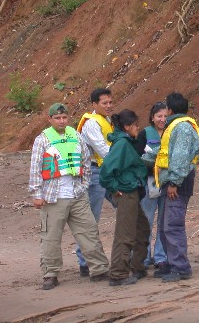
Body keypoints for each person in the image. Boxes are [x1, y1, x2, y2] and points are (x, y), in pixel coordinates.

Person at [29, 103, 109, 290]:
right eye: (57, 118)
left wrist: (84, 185)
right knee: (50, 237)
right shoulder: (42, 140)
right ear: (50, 120)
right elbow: (35, 168)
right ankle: (50, 274)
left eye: (64, 117)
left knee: (89, 231)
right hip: (52, 196)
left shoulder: (76, 136)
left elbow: (86, 163)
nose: (61, 121)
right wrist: (36, 194)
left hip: (76, 193)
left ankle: (99, 269)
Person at [144, 92, 199, 282]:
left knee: (173, 225)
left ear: (169, 109)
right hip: (169, 181)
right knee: (164, 225)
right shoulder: (175, 127)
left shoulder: (182, 128)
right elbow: (164, 153)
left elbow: (180, 157)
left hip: (177, 182)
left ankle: (181, 267)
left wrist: (175, 182)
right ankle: (169, 262)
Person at [99, 109, 150, 286]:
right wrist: (114, 188)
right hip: (126, 191)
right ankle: (118, 273)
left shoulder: (126, 142)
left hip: (131, 190)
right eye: (135, 125)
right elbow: (105, 172)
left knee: (142, 229)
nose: (138, 128)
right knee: (125, 234)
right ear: (127, 127)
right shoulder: (122, 144)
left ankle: (137, 267)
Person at [75, 88, 115, 277]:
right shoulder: (91, 124)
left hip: (107, 170)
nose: (109, 106)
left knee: (123, 206)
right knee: (91, 218)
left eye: (110, 102)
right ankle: (86, 261)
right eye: (104, 103)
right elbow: (103, 149)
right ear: (94, 105)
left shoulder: (106, 121)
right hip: (94, 172)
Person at [136, 102, 168, 269]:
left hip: (167, 182)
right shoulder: (144, 134)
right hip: (150, 183)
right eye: (159, 116)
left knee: (164, 219)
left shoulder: (172, 132)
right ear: (152, 118)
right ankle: (144, 256)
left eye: (165, 116)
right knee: (146, 219)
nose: (162, 119)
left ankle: (161, 257)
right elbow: (138, 157)